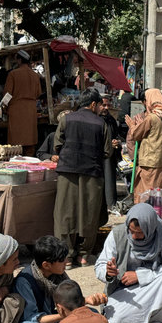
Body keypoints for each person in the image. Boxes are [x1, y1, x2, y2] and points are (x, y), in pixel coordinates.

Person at [95, 203, 162, 323]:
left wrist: (140, 276)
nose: (135, 236)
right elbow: (100, 265)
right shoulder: (118, 234)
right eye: (132, 231)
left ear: (150, 228)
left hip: (152, 286)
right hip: (124, 291)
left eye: (140, 232)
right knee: (118, 319)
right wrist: (107, 272)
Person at [12, 236, 106, 323]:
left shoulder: (59, 274)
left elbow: (70, 301)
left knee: (93, 314)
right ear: (46, 265)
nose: (66, 262)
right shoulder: (25, 281)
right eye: (62, 260)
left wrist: (85, 301)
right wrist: (63, 315)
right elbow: (33, 318)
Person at [53, 89, 113, 268]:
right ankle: (84, 255)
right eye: (100, 104)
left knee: (65, 214)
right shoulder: (101, 123)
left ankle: (67, 256)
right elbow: (107, 151)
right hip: (92, 174)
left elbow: (57, 144)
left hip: (67, 172)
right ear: (93, 104)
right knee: (89, 214)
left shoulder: (66, 119)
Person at [125, 88, 162, 204]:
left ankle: (147, 219)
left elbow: (135, 134)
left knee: (148, 196)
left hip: (151, 163)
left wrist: (132, 125)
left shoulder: (152, 117)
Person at [4, 49, 41, 156]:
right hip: (30, 111)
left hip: (16, 111)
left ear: (19, 60)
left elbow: (7, 95)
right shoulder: (35, 75)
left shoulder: (13, 74)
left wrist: (3, 108)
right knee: (30, 142)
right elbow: (38, 93)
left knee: (16, 144)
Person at [100, 95, 122, 209]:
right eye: (104, 105)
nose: (106, 108)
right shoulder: (96, 120)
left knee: (109, 179)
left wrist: (116, 143)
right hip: (98, 155)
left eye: (108, 105)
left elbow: (116, 135)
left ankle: (110, 205)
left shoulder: (111, 120)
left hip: (109, 156)